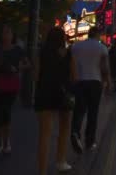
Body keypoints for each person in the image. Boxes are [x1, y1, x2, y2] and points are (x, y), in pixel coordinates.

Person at [35, 27, 76, 174]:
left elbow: (36, 74)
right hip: (63, 94)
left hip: (44, 93)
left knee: (44, 135)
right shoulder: (67, 53)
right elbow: (74, 76)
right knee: (64, 128)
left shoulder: (42, 53)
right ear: (62, 39)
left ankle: (42, 171)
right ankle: (60, 160)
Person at [0, 24, 30, 155]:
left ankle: (6, 141)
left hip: (11, 83)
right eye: (4, 33)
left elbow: (28, 63)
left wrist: (18, 68)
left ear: (13, 35)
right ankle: (0, 141)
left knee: (5, 111)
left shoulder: (18, 50)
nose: (6, 35)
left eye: (8, 32)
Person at [70, 27, 110, 153]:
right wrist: (108, 82)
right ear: (97, 35)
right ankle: (90, 141)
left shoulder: (76, 46)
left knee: (79, 110)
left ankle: (75, 132)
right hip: (95, 82)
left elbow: (71, 64)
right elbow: (104, 68)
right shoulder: (102, 48)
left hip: (79, 82)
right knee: (93, 112)